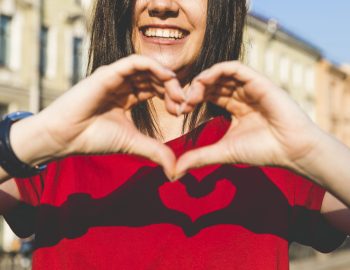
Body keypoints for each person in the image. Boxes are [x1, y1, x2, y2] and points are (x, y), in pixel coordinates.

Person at [0, 0, 349, 269]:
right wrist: (39, 136)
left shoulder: (267, 151)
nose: (163, 5)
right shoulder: (57, 147)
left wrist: (309, 149)